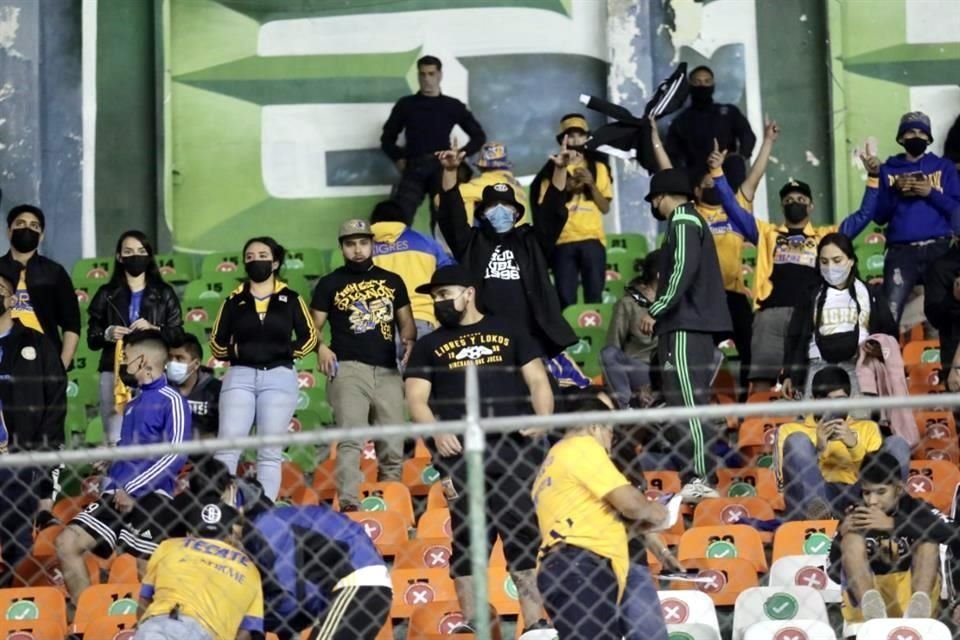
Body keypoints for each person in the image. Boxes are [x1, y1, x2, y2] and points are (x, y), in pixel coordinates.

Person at [405, 265, 555, 638]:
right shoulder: (428, 345)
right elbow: (416, 399)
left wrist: (544, 418)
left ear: (468, 293)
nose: (438, 302)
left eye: (445, 294)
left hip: (515, 453)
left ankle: (535, 623)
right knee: (469, 542)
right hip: (460, 460)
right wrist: (437, 432)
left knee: (523, 536)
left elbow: (537, 379)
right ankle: (473, 625)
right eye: (434, 297)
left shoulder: (510, 330)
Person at [712, 156, 880, 392]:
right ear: (782, 206)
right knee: (762, 377)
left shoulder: (827, 236)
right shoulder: (766, 234)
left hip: (810, 316)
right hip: (770, 315)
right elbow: (731, 207)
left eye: (801, 199)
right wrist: (717, 173)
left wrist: (873, 178)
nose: (795, 203)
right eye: (789, 200)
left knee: (807, 375)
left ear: (811, 206)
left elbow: (864, 215)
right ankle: (759, 426)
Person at [184, 457, 392, 640]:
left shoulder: (267, 526)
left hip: (357, 582)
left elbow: (288, 595)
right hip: (342, 587)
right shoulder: (265, 525)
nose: (228, 544)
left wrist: (253, 620)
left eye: (226, 536)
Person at [56, 329, 191, 601]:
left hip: (151, 498)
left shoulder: (173, 400)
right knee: (66, 543)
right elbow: (134, 449)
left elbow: (176, 454)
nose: (122, 365)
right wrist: (112, 455)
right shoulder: (133, 403)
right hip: (115, 495)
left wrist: (132, 488)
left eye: (126, 357)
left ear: (143, 361)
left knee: (145, 569)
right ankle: (88, 619)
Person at [652, 116, 780, 397]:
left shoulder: (734, 209)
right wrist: (655, 141)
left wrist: (768, 141)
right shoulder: (690, 214)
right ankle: (703, 398)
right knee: (699, 355)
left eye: (716, 182)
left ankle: (749, 401)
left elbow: (754, 177)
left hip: (733, 295)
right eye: (706, 183)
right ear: (695, 190)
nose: (712, 185)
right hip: (699, 297)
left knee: (750, 346)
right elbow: (668, 174)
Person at [533, 395, 670, 640]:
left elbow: (597, 518)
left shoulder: (553, 461)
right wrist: (659, 512)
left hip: (565, 566)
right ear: (596, 426)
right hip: (581, 566)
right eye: (610, 433)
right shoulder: (583, 447)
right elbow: (631, 504)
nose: (611, 442)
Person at [435, 138, 577, 359]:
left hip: (531, 334)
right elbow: (450, 213)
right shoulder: (471, 242)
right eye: (492, 206)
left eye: (507, 205)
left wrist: (560, 170)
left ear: (517, 213)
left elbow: (553, 212)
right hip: (485, 336)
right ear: (482, 214)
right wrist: (451, 171)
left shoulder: (532, 241)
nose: (500, 210)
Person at [641, 167, 732, 502]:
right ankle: (698, 475)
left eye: (655, 200)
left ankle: (700, 475)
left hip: (684, 325)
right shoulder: (690, 221)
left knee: (687, 403)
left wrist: (657, 307)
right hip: (688, 326)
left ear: (661, 198)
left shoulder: (682, 221)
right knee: (685, 401)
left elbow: (681, 270)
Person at [311, 220, 415, 511]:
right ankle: (349, 506)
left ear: (372, 244)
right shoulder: (330, 283)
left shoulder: (393, 281)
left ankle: (391, 506)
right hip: (348, 368)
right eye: (350, 244)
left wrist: (410, 343)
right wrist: (321, 347)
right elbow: (312, 326)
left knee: (393, 443)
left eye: (363, 243)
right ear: (342, 247)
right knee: (350, 441)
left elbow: (406, 324)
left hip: (387, 370)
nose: (357, 250)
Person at [210, 236, 317, 501]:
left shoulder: (291, 299)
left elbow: (310, 337)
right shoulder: (233, 301)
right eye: (250, 256)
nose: (255, 260)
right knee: (228, 448)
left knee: (269, 452)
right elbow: (216, 344)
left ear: (276, 261)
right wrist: (239, 352)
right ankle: (223, 511)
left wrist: (286, 352)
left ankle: (264, 511)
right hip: (239, 377)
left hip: (279, 377)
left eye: (262, 255)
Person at [828, 450, 958, 627]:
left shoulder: (916, 508)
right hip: (867, 603)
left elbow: (955, 532)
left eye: (881, 492)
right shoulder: (854, 514)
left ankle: (918, 614)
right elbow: (833, 574)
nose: (872, 501)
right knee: (851, 538)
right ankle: (873, 614)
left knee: (928, 539)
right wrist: (839, 538)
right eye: (866, 493)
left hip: (912, 596)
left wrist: (893, 524)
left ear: (899, 489)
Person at [0, 262, 67, 587]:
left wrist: (44, 481)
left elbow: (54, 407)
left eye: (1, 291)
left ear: (13, 301)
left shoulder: (37, 344)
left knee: (18, 548)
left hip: (19, 462)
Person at [775, 366, 910, 520]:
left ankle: (888, 516)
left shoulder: (867, 428)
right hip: (815, 496)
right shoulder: (790, 430)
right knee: (798, 441)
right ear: (813, 401)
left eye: (840, 400)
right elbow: (784, 482)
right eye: (826, 401)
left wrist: (854, 446)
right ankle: (819, 521)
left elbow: (877, 476)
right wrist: (818, 450)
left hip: (859, 495)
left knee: (897, 444)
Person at [88, 230, 184, 444]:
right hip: (114, 372)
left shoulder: (164, 293)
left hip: (153, 371)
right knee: (115, 439)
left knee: (152, 437)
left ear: (149, 256)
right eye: (128, 252)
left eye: (141, 251)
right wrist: (107, 333)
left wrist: (154, 328)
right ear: (119, 257)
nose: (135, 256)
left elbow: (177, 336)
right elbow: (92, 339)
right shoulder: (106, 293)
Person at [783, 233, 898, 398]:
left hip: (860, 368)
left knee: (859, 423)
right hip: (817, 369)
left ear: (851, 261)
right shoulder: (810, 295)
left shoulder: (870, 294)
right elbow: (794, 336)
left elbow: (890, 333)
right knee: (816, 422)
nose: (830, 267)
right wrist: (788, 374)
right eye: (824, 262)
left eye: (837, 260)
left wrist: (879, 348)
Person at [872, 111, 960, 323]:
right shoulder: (887, 170)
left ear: (929, 139)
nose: (916, 137)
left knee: (942, 314)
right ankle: (887, 354)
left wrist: (930, 193)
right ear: (901, 138)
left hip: (939, 248)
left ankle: (946, 357)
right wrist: (894, 190)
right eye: (910, 132)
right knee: (890, 314)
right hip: (902, 252)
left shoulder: (943, 167)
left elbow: (956, 209)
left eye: (922, 133)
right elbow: (879, 216)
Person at [381, 55, 486, 224]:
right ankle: (400, 250)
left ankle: (444, 251)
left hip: (442, 166)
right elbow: (387, 139)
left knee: (444, 219)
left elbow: (479, 136)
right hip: (414, 165)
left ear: (440, 75)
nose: (426, 79)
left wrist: (459, 155)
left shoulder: (452, 106)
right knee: (399, 217)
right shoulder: (406, 105)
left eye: (431, 74)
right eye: (422, 74)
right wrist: (398, 158)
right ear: (417, 76)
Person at [135, 501, 263, 640]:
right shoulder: (250, 569)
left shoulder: (169, 546)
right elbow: (249, 630)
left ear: (189, 533)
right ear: (229, 536)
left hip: (158, 625)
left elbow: (144, 599)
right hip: (207, 632)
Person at [534, 114, 614, 308]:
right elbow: (545, 210)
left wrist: (591, 184)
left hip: (592, 239)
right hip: (563, 241)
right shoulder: (552, 169)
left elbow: (605, 207)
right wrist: (566, 187)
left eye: (580, 135)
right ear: (562, 140)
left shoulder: (598, 167)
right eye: (570, 135)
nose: (575, 140)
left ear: (587, 138)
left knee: (595, 297)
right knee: (565, 300)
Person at [0, 204, 81, 369]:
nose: (27, 228)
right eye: (20, 224)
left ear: (41, 235)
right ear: (9, 231)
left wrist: (61, 367)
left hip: (44, 362)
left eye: (34, 226)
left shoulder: (54, 272)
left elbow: (71, 323)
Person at [370, 199, 454, 342]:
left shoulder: (364, 250)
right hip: (421, 318)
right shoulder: (425, 241)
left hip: (379, 325)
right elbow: (450, 274)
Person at [665, 65, 756, 171]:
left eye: (707, 81)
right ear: (690, 85)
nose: (702, 85)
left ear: (713, 84)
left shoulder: (729, 113)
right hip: (696, 178)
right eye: (697, 81)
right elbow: (672, 152)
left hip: (728, 174)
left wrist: (739, 158)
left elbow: (747, 136)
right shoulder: (681, 121)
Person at [600, 250, 660, 409]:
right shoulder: (628, 304)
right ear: (660, 275)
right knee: (609, 353)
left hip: (671, 367)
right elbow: (613, 345)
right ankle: (625, 407)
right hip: (642, 368)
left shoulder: (676, 301)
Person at [451, 141, 529, 225]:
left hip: (499, 236)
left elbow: (444, 198)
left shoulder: (482, 183)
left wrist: (450, 169)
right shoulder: (515, 183)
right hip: (520, 234)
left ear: (481, 167)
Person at [167, 333, 221, 440]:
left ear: (196, 364)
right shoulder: (161, 388)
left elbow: (223, 432)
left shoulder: (216, 391)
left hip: (207, 453)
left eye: (179, 358)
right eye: (170, 358)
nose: (172, 363)